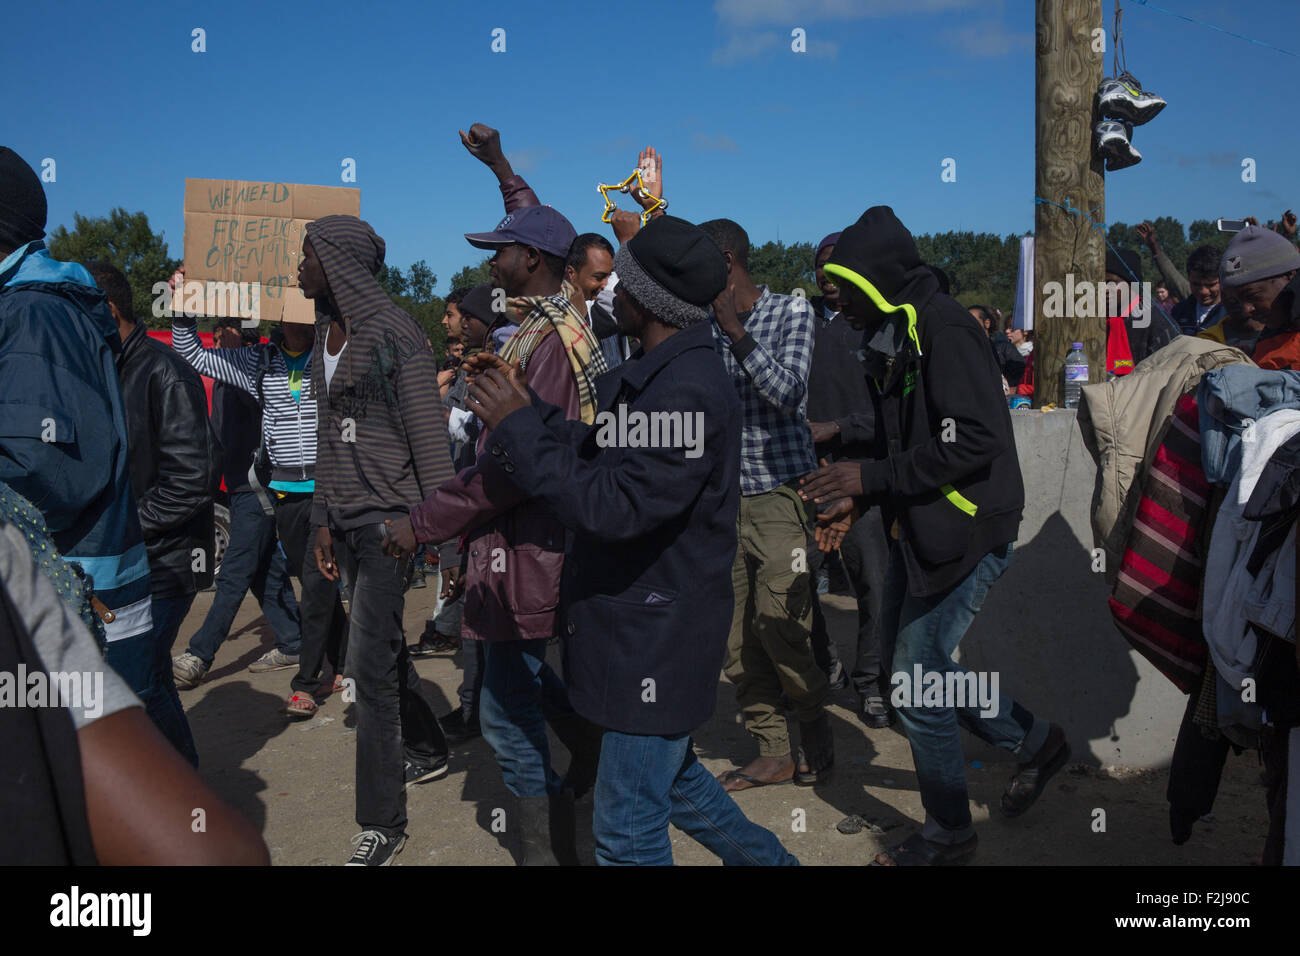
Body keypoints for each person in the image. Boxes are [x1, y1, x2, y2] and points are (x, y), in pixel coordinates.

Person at [447, 214, 798, 866]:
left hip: (654, 646)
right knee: (682, 788)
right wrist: (536, 414)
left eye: (621, 287)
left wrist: (520, 431)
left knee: (627, 838)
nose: (610, 296)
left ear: (646, 301)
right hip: (637, 640)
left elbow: (610, 505)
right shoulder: (662, 374)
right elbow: (604, 452)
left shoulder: (686, 391)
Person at [800, 205, 1070, 866]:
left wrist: (871, 477)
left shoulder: (943, 328)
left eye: (847, 291)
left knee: (917, 685)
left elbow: (977, 437)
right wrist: (858, 497)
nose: (839, 306)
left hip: (967, 527)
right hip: (916, 526)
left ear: (876, 281)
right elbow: (895, 441)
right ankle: (1034, 741)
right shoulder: (893, 327)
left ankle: (950, 832)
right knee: (912, 678)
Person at [385, 205, 609, 866]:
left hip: (527, 548)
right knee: (525, 683)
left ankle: (549, 850)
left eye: (501, 251)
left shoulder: (546, 344)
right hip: (516, 546)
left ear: (532, 260)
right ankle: (591, 756)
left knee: (505, 718)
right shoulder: (542, 333)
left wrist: (422, 524)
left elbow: (512, 469)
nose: (491, 263)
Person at [301, 215, 452, 866]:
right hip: (347, 520)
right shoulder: (322, 335)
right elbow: (327, 437)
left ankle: (380, 823)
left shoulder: (396, 333)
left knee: (366, 670)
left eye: (305, 257)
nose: (297, 269)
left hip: (391, 523)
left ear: (336, 263)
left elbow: (430, 442)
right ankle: (429, 747)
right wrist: (320, 519)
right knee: (381, 652)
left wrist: (438, 532)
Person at [0, 510, 268, 865]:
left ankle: (188, 786)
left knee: (149, 686)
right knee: (154, 686)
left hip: (138, 578)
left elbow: (185, 485)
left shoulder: (16, 529)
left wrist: (119, 522)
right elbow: (217, 854)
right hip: (121, 577)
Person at [0, 146, 154, 707]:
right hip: (74, 589)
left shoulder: (31, 315)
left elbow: (41, 470)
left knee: (95, 767)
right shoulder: (32, 309)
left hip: (73, 591)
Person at [698, 217, 832, 792]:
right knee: (734, 640)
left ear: (726, 260)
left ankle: (814, 726)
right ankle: (773, 750)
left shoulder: (791, 312)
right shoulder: (699, 325)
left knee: (782, 626)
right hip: (724, 500)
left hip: (781, 495)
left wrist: (737, 333)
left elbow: (789, 395)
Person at [171, 295, 348, 720]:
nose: (296, 323)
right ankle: (344, 665)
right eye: (289, 315)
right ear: (279, 314)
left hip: (324, 491)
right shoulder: (258, 363)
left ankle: (305, 683)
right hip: (281, 491)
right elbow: (190, 352)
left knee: (318, 580)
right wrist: (183, 309)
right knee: (314, 582)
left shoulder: (331, 357)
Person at [87, 260, 219, 766]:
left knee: (136, 679)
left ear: (108, 309)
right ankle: (181, 795)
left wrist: (117, 526)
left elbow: (192, 481)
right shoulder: (103, 370)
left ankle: (179, 801)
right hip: (125, 561)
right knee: (149, 678)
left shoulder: (165, 372)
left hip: (167, 563)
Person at [170, 311, 306, 693]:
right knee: (264, 570)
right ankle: (294, 641)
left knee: (233, 573)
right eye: (214, 333)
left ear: (247, 338)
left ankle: (199, 654)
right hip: (241, 487)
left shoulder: (256, 372)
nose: (216, 340)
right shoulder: (229, 378)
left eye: (225, 333)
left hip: (257, 489)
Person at [804, 232, 893, 727]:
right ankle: (825, 661)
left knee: (875, 587)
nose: (827, 274)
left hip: (862, 481)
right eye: (820, 266)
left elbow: (893, 415)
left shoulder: (880, 329)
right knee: (792, 583)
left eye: (837, 265)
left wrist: (839, 428)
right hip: (808, 476)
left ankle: (870, 683)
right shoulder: (802, 324)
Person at [1203, 225, 1300, 363]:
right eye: (1234, 300)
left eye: (1252, 296)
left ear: (1290, 276)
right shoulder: (1271, 337)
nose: (1246, 310)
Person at [1103, 248, 1179, 376]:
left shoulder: (1158, 322)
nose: (1104, 288)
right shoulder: (1097, 321)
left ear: (1132, 284)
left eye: (1111, 282)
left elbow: (1171, 375)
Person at [1170, 245, 1226, 336]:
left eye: (1210, 285)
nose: (1203, 291)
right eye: (1196, 284)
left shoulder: (1233, 313)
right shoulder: (1179, 311)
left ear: (1223, 280)